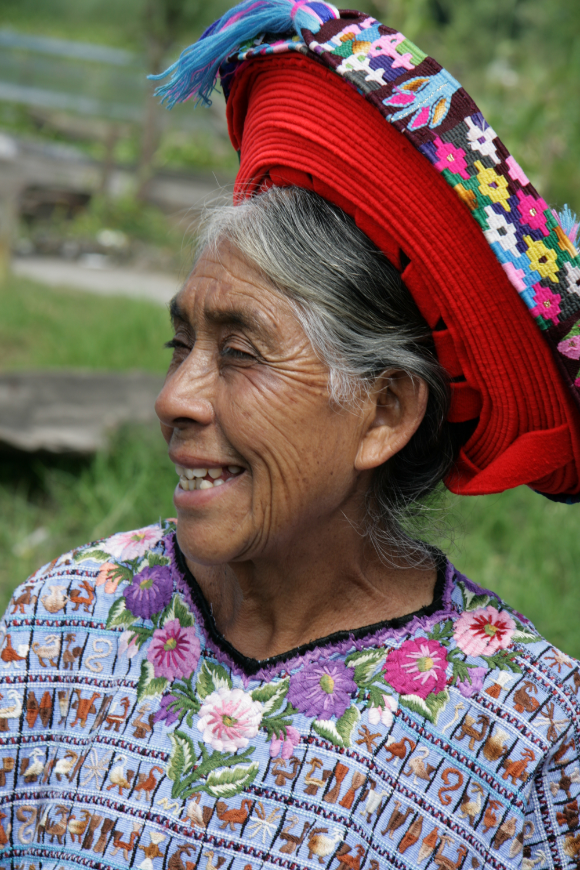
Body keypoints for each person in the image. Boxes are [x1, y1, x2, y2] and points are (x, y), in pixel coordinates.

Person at [1, 2, 580, 869]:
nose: (174, 398)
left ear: (384, 413)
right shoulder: (64, 618)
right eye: (181, 342)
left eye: (240, 352)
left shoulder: (524, 742)